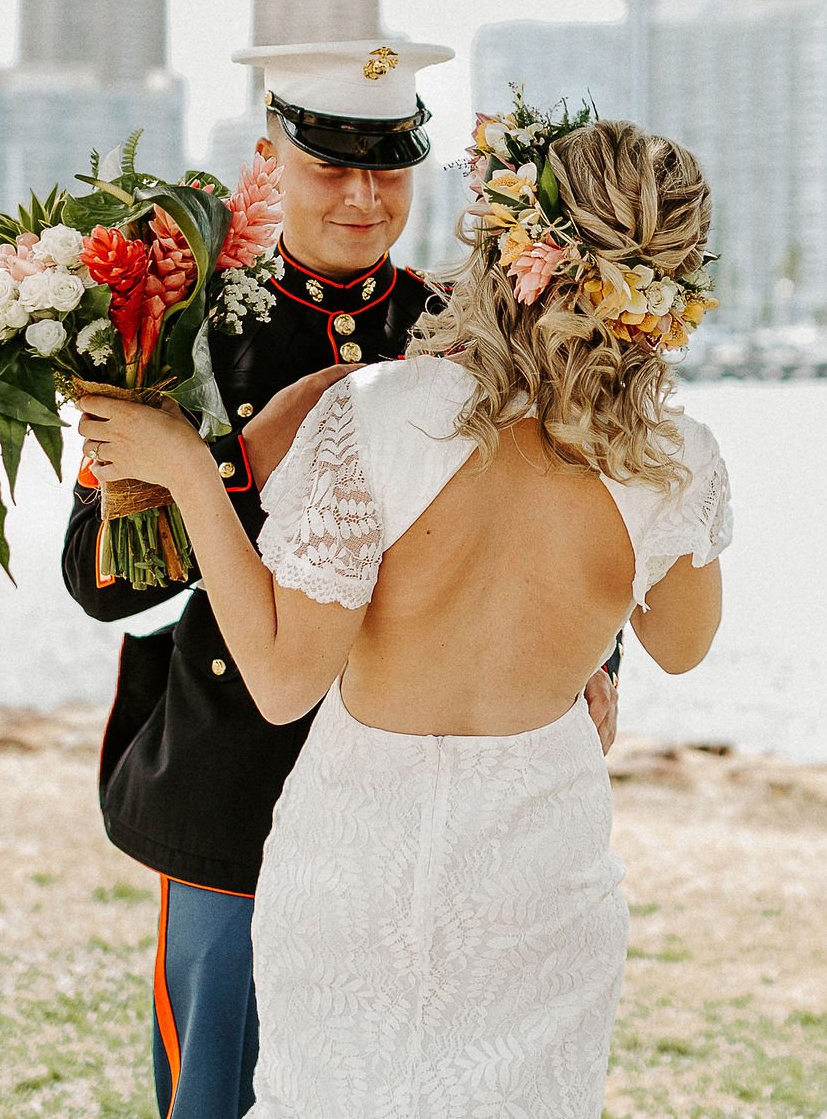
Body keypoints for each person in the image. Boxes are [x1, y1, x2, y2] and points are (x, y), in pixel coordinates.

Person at [76, 113, 732, 1116]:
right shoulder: (675, 458)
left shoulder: (381, 412)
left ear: (512, 244)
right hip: (540, 874)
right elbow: (678, 647)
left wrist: (188, 474)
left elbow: (286, 679)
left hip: (356, 862)